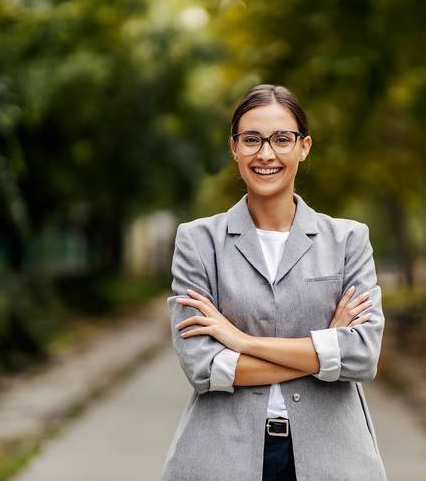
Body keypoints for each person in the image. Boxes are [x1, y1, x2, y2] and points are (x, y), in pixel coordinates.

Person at [161, 84, 387, 481]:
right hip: (223, 457)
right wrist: (322, 352)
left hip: (332, 458)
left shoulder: (348, 240)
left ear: (304, 146)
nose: (266, 154)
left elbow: (362, 356)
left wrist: (241, 341)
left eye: (282, 139)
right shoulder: (198, 242)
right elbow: (203, 366)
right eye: (252, 140)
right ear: (234, 148)